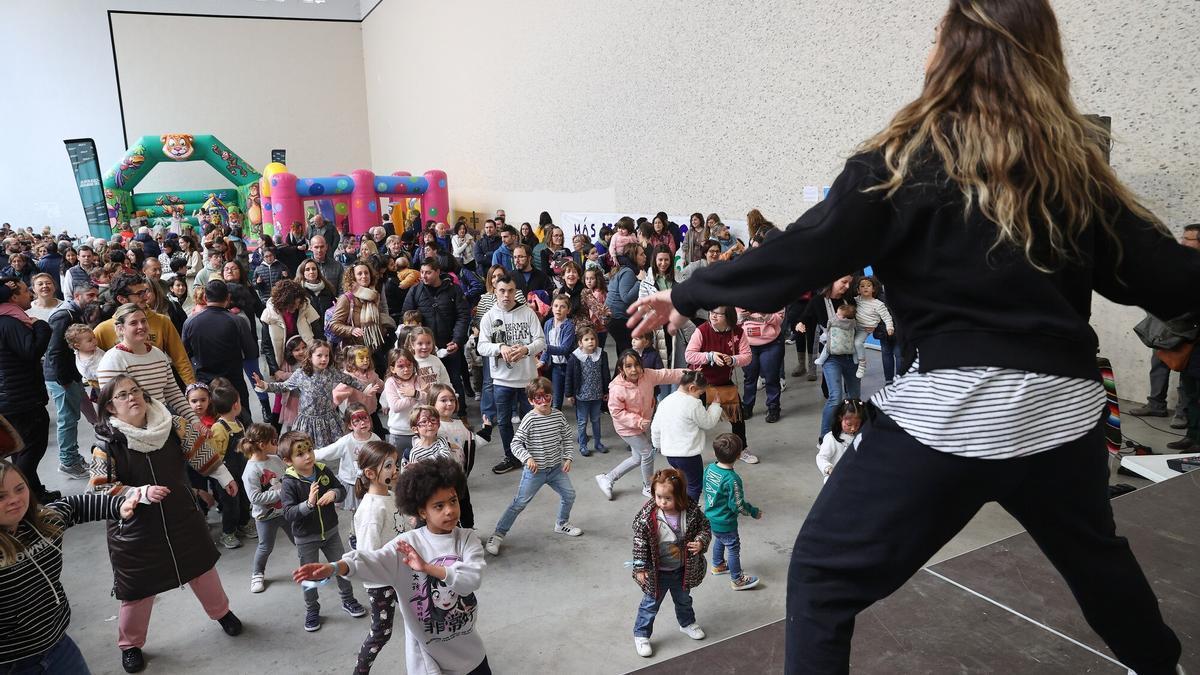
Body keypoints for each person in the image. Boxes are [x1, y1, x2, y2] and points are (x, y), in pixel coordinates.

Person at [626, 1, 1191, 669]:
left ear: (951, 50)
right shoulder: (1072, 168)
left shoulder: (902, 159)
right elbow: (1166, 276)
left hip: (949, 410)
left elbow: (804, 252)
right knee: (1098, 563)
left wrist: (686, 293)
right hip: (1061, 410)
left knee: (822, 575)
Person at [88, 375, 243, 673]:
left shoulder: (172, 424)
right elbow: (98, 487)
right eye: (123, 395)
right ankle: (130, 645)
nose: (132, 397)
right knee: (138, 590)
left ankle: (222, 613)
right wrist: (138, 493)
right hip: (134, 528)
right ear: (110, 406)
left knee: (203, 569)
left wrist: (224, 477)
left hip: (181, 514)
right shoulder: (106, 443)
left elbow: (200, 452)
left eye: (136, 391)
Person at [292, 457, 490, 675]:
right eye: (439, 506)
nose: (450, 511)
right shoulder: (407, 545)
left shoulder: (467, 539)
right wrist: (337, 567)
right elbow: (372, 560)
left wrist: (427, 568)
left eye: (453, 501)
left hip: (471, 656)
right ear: (422, 511)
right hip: (429, 657)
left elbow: (472, 578)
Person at [0, 459, 164, 674]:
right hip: (12, 662)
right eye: (1, 496)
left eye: (19, 489)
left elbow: (74, 506)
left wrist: (118, 506)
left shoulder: (43, 524)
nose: (14, 500)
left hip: (58, 646)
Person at [278, 430, 368, 632]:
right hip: (305, 538)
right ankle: (312, 609)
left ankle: (348, 599)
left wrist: (334, 493)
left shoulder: (323, 470)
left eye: (309, 450)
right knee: (310, 576)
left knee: (341, 567)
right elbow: (288, 513)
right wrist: (308, 504)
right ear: (287, 460)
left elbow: (342, 490)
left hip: (331, 532)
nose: (308, 456)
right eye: (300, 454)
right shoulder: (289, 483)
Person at [484, 377, 583, 556]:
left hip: (555, 469)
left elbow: (567, 437)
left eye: (547, 397)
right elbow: (515, 444)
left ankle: (561, 524)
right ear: (530, 401)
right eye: (538, 398)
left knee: (569, 495)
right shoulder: (529, 419)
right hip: (534, 472)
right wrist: (527, 458)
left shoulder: (558, 416)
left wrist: (568, 458)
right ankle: (498, 534)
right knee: (519, 504)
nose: (543, 401)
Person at [631, 468, 710, 658]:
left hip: (682, 570)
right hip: (656, 572)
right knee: (650, 604)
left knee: (683, 600)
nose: (662, 502)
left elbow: (705, 528)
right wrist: (640, 567)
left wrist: (700, 542)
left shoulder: (691, 512)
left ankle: (687, 623)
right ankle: (641, 634)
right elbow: (640, 542)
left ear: (680, 496)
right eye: (658, 497)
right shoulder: (648, 518)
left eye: (668, 498)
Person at [476, 275, 545, 475]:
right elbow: (481, 347)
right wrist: (500, 347)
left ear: (516, 292)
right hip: (501, 380)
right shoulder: (489, 316)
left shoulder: (528, 313)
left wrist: (526, 350)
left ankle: (531, 455)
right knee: (504, 422)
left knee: (529, 419)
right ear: (495, 291)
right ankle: (511, 456)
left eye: (510, 291)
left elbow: (541, 341)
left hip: (527, 379)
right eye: (502, 291)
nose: (506, 295)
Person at [254, 340, 381, 448]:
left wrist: (364, 389)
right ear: (310, 356)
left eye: (327, 355)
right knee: (308, 448)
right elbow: (284, 386)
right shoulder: (301, 374)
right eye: (319, 355)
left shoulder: (331, 371)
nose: (324, 359)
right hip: (308, 420)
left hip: (328, 418)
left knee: (334, 448)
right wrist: (265, 386)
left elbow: (349, 379)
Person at [595, 350, 684, 501]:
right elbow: (617, 412)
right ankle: (648, 487)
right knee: (648, 453)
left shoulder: (647, 375)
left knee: (638, 458)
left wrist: (688, 373)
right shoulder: (617, 388)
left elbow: (666, 374)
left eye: (637, 365)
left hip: (642, 424)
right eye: (628, 366)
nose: (634, 369)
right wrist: (637, 421)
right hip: (627, 428)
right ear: (621, 369)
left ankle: (607, 478)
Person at [349, 441, 404, 673]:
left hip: (400, 572)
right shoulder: (372, 509)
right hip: (382, 581)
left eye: (396, 464)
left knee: (420, 616)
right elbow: (368, 554)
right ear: (371, 473)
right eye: (389, 466)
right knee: (381, 632)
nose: (396, 470)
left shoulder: (388, 494)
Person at [94, 273, 195, 386]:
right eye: (139, 294)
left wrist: (192, 387)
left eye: (145, 291)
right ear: (122, 299)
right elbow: (91, 367)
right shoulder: (102, 330)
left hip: (159, 392)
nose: (146, 297)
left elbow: (181, 359)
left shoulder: (162, 321)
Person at [182, 280, 261, 424]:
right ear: (228, 298)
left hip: (206, 385)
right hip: (233, 382)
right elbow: (251, 352)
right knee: (242, 422)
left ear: (205, 298)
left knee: (212, 425)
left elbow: (184, 354)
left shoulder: (190, 323)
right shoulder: (237, 321)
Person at [44, 280, 101, 477]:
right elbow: (54, 351)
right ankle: (68, 461)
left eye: (96, 295)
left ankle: (73, 458)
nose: (95, 299)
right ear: (77, 296)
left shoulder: (74, 313)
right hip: (62, 377)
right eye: (90, 296)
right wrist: (64, 380)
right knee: (68, 419)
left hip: (70, 376)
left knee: (85, 414)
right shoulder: (64, 316)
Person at [685, 306, 755, 462]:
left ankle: (741, 449)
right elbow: (689, 356)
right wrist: (709, 356)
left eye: (718, 314)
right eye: (711, 313)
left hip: (723, 381)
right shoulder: (702, 330)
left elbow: (747, 356)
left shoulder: (738, 332)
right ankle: (687, 453)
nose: (713, 317)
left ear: (728, 316)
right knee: (690, 419)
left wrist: (734, 360)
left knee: (737, 418)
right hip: (699, 384)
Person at [402, 258, 471, 409]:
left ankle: (461, 413)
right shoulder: (415, 291)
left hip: (449, 344)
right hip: (424, 348)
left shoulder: (454, 290)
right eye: (422, 272)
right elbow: (407, 317)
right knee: (425, 382)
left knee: (453, 379)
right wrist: (416, 343)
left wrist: (457, 339)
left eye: (428, 272)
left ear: (438, 272)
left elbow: (463, 315)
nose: (423, 276)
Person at [797, 275, 858, 439]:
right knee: (835, 396)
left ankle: (851, 430)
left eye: (849, 283)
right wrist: (800, 323)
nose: (846, 286)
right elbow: (805, 316)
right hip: (831, 356)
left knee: (853, 397)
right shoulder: (818, 301)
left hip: (851, 355)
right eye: (843, 282)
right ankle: (824, 436)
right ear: (832, 281)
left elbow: (859, 319)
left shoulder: (849, 300)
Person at [703, 432, 763, 591]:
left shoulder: (709, 468)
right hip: (725, 521)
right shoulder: (732, 479)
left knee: (720, 539)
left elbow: (706, 489)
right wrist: (753, 511)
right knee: (733, 547)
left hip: (710, 516)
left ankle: (717, 565)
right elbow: (738, 505)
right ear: (738, 456)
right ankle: (737, 580)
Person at [653, 370, 723, 501]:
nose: (699, 396)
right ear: (692, 388)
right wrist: (715, 405)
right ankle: (689, 513)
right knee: (694, 486)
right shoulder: (693, 404)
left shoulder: (665, 401)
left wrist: (658, 444)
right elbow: (708, 423)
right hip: (688, 454)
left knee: (681, 482)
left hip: (670, 454)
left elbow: (655, 427)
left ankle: (679, 506)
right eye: (700, 393)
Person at [239, 422, 292, 594]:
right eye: (274, 441)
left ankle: (308, 566)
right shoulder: (251, 471)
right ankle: (257, 573)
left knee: (300, 537)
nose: (276, 445)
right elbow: (255, 498)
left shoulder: (276, 460)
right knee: (265, 547)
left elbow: (288, 477)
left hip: (285, 511)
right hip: (266, 517)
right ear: (262, 445)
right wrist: (282, 493)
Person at [207, 384, 256, 550]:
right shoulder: (218, 428)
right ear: (236, 405)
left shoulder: (238, 423)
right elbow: (216, 455)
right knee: (230, 505)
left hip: (242, 471)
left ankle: (243, 523)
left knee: (244, 499)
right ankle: (228, 532)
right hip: (226, 476)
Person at [314, 406, 381, 514]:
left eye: (365, 418)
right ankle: (356, 529)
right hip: (351, 483)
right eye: (357, 421)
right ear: (350, 425)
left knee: (371, 509)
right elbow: (327, 451)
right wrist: (309, 455)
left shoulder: (376, 439)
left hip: (370, 482)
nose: (362, 423)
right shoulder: (345, 442)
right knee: (357, 512)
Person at [428, 383, 476, 528]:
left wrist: (485, 432)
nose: (449, 403)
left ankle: (469, 531)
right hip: (442, 480)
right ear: (432, 403)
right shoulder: (433, 426)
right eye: (443, 400)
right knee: (447, 509)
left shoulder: (459, 423)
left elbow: (470, 443)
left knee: (465, 506)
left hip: (460, 476)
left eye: (452, 400)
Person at [564, 326, 610, 457]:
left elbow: (605, 374)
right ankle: (583, 445)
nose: (590, 342)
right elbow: (569, 377)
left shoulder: (602, 355)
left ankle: (598, 443)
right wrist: (569, 394)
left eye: (593, 339)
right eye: (586, 339)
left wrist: (606, 391)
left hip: (597, 394)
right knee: (582, 421)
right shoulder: (575, 357)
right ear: (580, 343)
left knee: (596, 419)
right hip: (581, 396)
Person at [738, 305, 786, 423]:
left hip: (771, 343)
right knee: (750, 377)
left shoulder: (774, 297)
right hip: (747, 343)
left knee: (771, 377)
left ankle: (773, 407)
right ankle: (747, 406)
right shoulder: (739, 297)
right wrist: (740, 317)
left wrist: (762, 311)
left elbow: (778, 320)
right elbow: (732, 321)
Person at [606, 242, 647, 354]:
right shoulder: (629, 272)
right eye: (641, 254)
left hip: (615, 317)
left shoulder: (626, 269)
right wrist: (640, 281)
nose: (645, 256)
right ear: (634, 257)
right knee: (627, 352)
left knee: (622, 351)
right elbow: (627, 298)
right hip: (618, 318)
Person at [852, 276, 893, 379]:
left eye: (868, 286)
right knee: (850, 344)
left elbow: (887, 317)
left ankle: (862, 364)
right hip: (854, 326)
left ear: (873, 289)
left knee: (857, 342)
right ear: (858, 290)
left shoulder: (878, 304)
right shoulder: (856, 300)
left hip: (865, 328)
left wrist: (889, 328)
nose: (865, 288)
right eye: (862, 286)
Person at [540, 295, 576, 409]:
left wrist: (544, 347)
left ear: (568, 310)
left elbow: (564, 349)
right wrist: (542, 360)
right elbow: (546, 343)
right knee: (556, 397)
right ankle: (556, 420)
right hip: (556, 366)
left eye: (562, 307)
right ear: (551, 307)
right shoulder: (548, 324)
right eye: (555, 306)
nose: (558, 309)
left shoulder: (569, 325)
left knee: (572, 394)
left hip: (569, 365)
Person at [383, 347, 421, 455]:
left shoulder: (417, 379)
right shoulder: (391, 382)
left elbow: (427, 399)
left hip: (419, 430)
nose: (406, 369)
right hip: (399, 432)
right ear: (392, 369)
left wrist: (415, 393)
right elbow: (396, 407)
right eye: (401, 366)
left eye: (409, 365)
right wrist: (414, 397)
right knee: (398, 464)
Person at [816, 399, 864, 484]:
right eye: (849, 424)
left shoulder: (861, 436)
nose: (853, 428)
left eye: (857, 424)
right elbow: (821, 457)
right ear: (840, 418)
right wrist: (829, 469)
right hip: (836, 482)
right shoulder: (831, 438)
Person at [296, 259, 338, 332]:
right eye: (307, 269)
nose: (311, 272)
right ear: (303, 272)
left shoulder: (328, 288)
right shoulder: (299, 292)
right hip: (309, 332)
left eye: (314, 269)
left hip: (328, 331)